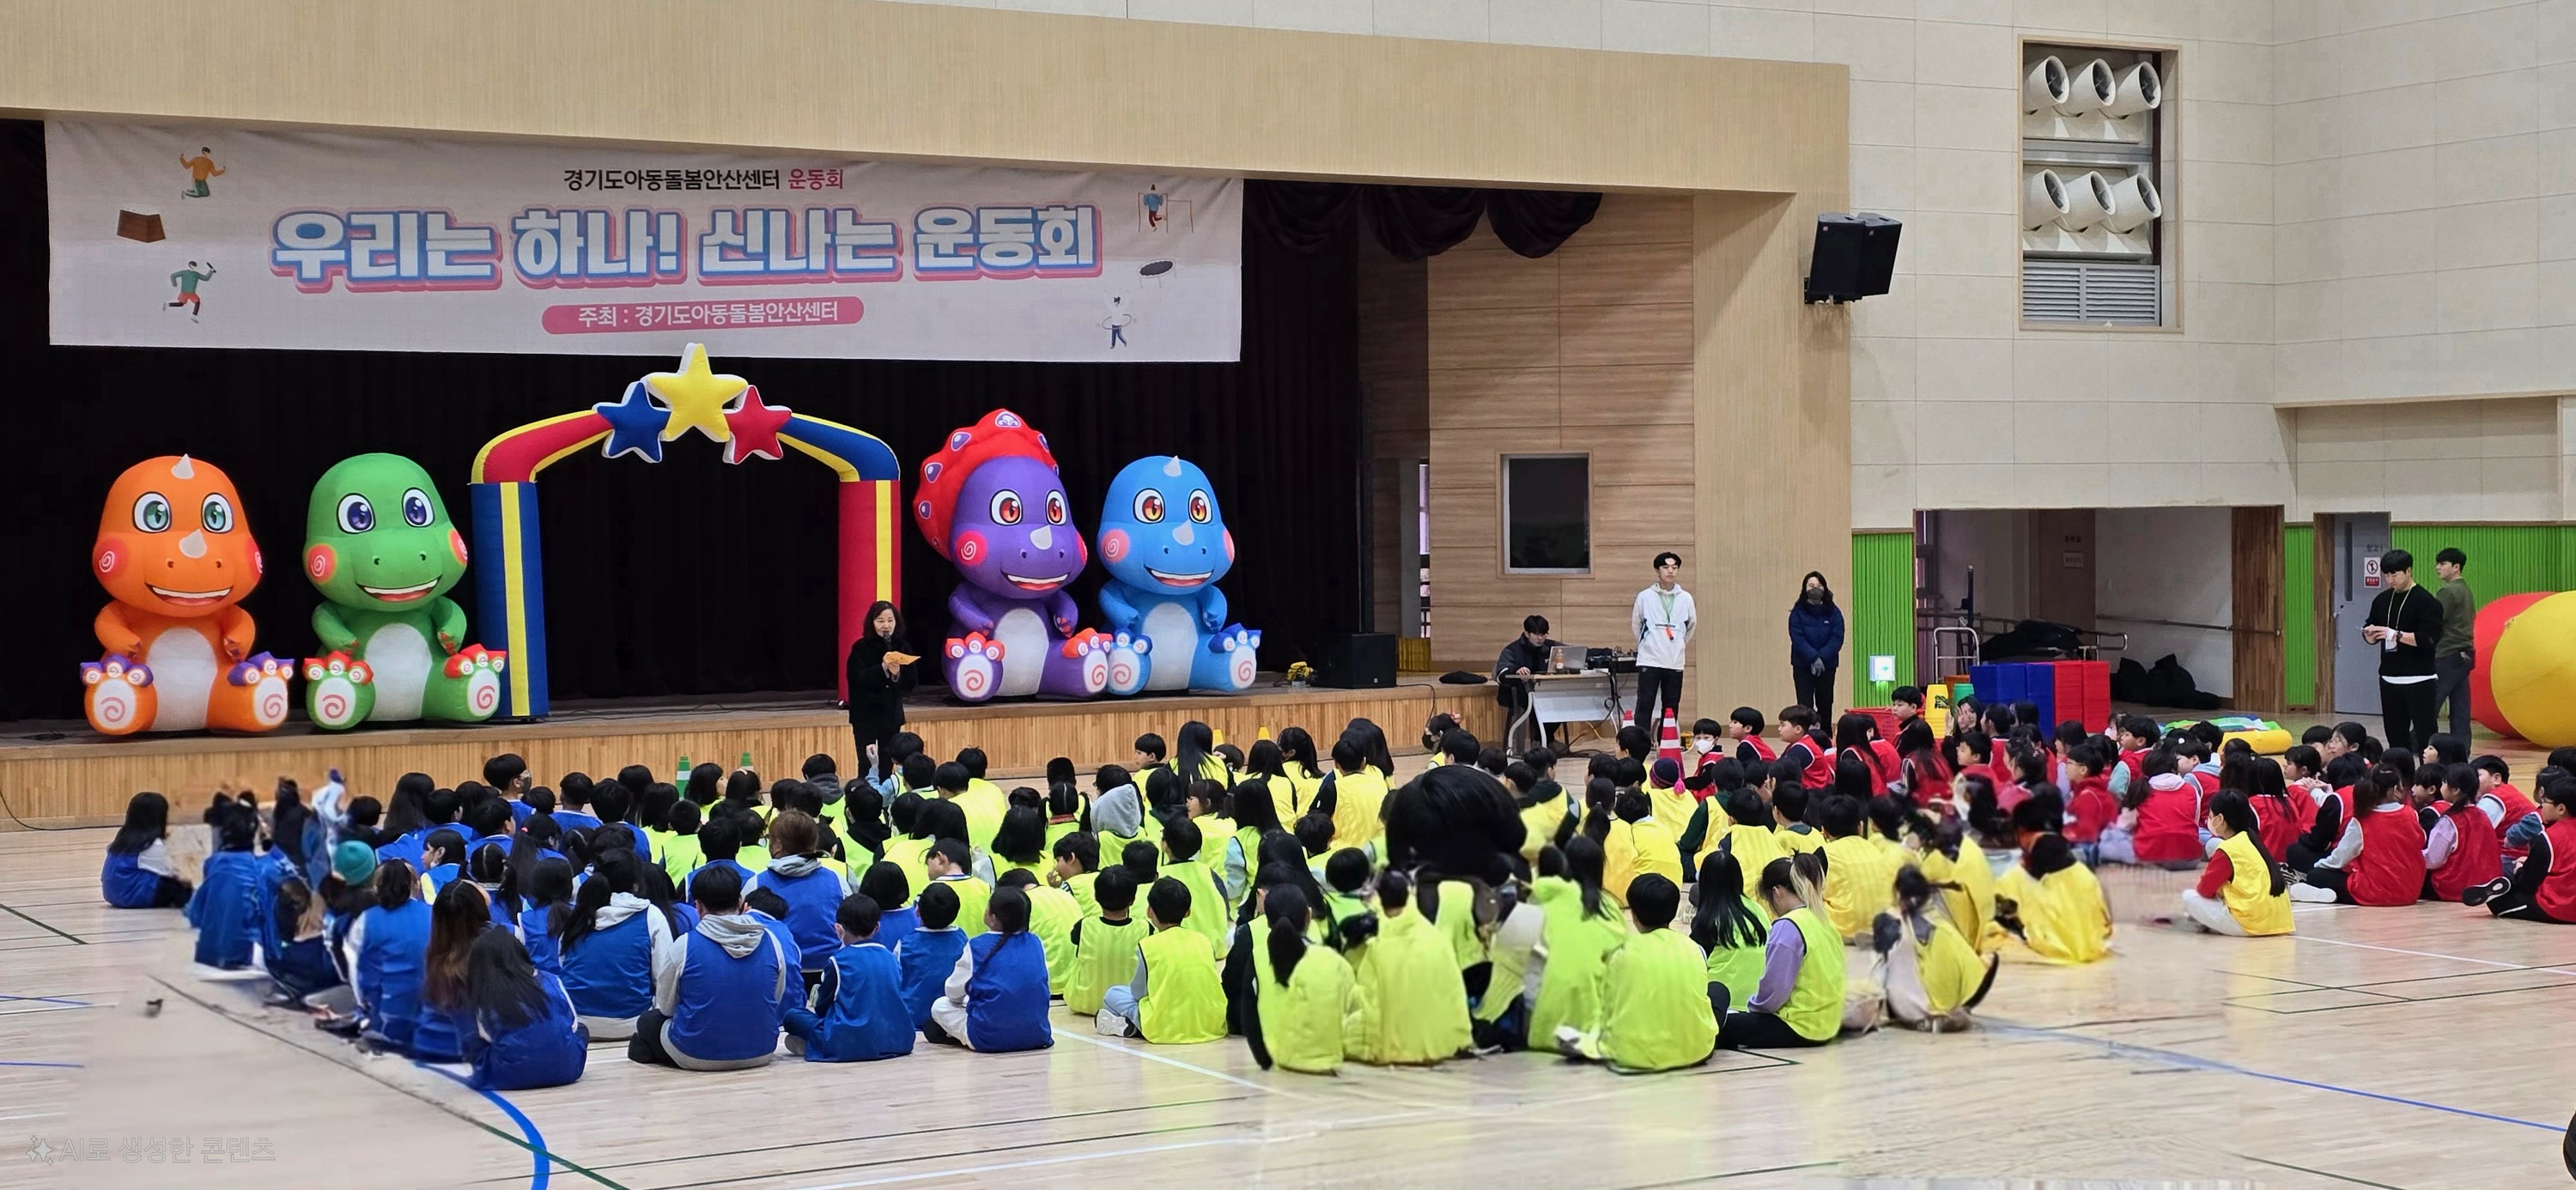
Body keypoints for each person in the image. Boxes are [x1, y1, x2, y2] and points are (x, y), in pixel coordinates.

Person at [629, 864, 794, 1071]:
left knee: (648, 1022)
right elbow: (775, 997)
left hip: (696, 1054)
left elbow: (666, 1006)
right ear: (740, 902)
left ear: (698, 906)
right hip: (762, 1051)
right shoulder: (771, 941)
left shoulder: (686, 944)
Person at [1555, 873, 1717, 1072]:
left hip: (1632, 1054)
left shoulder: (1621, 951)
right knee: (1718, 991)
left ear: (1634, 915)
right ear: (1674, 912)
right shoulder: (1694, 948)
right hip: (1694, 1051)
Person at [1343, 871, 1472, 1066]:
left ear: (1380, 897)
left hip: (1395, 1042)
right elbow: (1454, 994)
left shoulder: (1379, 947)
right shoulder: (1435, 938)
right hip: (1444, 1040)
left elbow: (1367, 1002)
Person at [1717, 853, 1845, 1049]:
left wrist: (1753, 1009)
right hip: (1829, 1024)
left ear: (1776, 892)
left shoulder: (1788, 925)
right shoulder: (1824, 921)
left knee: (1716, 1025)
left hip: (1798, 1026)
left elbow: (1775, 992)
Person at [784, 893, 915, 1062]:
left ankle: (815, 1044)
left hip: (848, 1042)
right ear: (877, 927)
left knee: (792, 1015)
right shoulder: (890, 957)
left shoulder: (837, 961)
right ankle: (813, 1043)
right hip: (898, 1039)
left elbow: (821, 1008)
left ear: (838, 929)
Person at [556, 850, 671, 1041]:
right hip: (633, 1023)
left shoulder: (579, 915)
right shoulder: (651, 915)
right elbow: (664, 977)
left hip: (578, 1021)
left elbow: (563, 962)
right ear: (636, 884)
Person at [1097, 876, 1225, 1043]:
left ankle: (1133, 1025)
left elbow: (1138, 993)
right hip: (1211, 1024)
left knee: (1113, 993)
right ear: (1188, 912)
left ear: (1149, 911)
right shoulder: (1203, 940)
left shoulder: (1148, 945)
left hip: (1164, 1027)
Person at [926, 885, 1054, 1053]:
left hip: (988, 1038)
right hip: (1038, 1035)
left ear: (993, 918)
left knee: (940, 1005)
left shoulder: (976, 946)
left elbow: (952, 992)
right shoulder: (1036, 943)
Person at [458, 929, 588, 1090]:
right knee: (582, 1030)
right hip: (569, 1071)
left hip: (510, 1077)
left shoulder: (486, 992)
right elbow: (573, 1024)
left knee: (471, 1040)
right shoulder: (552, 980)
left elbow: (485, 1036)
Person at [1872, 866, 1996, 1033]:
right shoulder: (1940, 922)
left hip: (1912, 1006)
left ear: (1898, 894)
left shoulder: (1890, 921)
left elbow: (1881, 972)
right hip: (1956, 996)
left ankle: (1932, 1013)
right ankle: (1949, 1009)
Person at [1249, 885, 1356, 1074]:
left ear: (1267, 921)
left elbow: (1247, 1015)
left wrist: (1264, 1060)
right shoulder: (1331, 958)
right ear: (1309, 916)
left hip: (1278, 1058)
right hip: (1327, 1059)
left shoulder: (1257, 956)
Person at [2288, 767, 2427, 907]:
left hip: (2376, 892)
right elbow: (2421, 842)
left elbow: (2340, 858)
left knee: (2316, 875)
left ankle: (2328, 892)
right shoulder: (2412, 814)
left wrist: (2319, 866)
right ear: (2396, 789)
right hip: (2411, 892)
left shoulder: (2361, 821)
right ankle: (2329, 893)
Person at [2363, 549, 2445, 755]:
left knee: (2426, 735)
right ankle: (2399, 780)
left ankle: (2429, 779)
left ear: (2408, 571)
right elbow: (2370, 627)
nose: (2391, 580)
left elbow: (2429, 639)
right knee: (2395, 736)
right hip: (2390, 677)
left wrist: (2395, 635)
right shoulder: (2382, 600)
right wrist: (2370, 635)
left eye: (2395, 575)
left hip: (2420, 678)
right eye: (2387, 575)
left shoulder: (2426, 602)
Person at [2180, 792, 2293, 937]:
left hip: (2249, 924)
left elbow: (2204, 890)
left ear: (2220, 819)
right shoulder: (2254, 841)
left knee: (2188, 896)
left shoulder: (2228, 848)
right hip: (2279, 922)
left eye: (2210, 816)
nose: (2208, 820)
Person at [349, 859, 434, 1053]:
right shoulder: (436, 914)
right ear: (416, 884)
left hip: (388, 1016)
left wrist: (363, 1004)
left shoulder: (367, 920)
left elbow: (356, 973)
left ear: (376, 888)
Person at [2467, 780, 2576, 922]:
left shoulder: (2548, 837)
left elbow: (2527, 885)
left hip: (2560, 907)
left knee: (2498, 901)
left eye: (2545, 802)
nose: (2541, 807)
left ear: (2561, 809)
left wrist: (2519, 870)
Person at [846, 601, 918, 783]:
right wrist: (882, 669)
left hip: (890, 715)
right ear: (872, 623)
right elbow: (856, 679)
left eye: (890, 620)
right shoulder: (860, 648)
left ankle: (885, 800)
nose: (886, 625)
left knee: (887, 762)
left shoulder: (902, 647)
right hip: (865, 715)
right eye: (880, 621)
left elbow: (911, 683)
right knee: (866, 762)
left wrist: (897, 674)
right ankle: (863, 800)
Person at [187, 805, 264, 969]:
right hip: (243, 955)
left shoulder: (212, 863)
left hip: (208, 955)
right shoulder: (259, 868)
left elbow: (195, 914)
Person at [1629, 551, 1697, 734]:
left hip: (1674, 661)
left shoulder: (1686, 598)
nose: (1670, 571)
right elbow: (1636, 624)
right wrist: (1649, 643)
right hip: (1649, 660)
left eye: (1674, 568)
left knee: (1671, 706)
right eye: (1666, 567)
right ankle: (1640, 744)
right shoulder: (1645, 596)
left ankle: (1664, 743)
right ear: (1657, 570)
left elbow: (1690, 626)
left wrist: (1677, 644)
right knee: (1645, 703)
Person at [2425, 766, 2504, 903]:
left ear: (2455, 790)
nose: (2442, 786)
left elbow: (2434, 860)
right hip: (2485, 880)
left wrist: (2413, 855)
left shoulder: (2449, 821)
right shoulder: (2482, 815)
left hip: (2454, 884)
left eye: (2444, 783)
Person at [103, 791, 191, 908]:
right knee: (178, 885)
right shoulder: (151, 846)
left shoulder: (123, 840)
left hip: (114, 894)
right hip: (133, 895)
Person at [896, 882, 969, 1027]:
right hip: (948, 1021)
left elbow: (895, 982)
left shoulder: (905, 945)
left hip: (913, 1021)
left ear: (917, 911)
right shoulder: (963, 939)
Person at [1494, 614, 1563, 752]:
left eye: (1544, 634)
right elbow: (1501, 673)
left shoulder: (1552, 647)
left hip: (1545, 690)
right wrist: (1516, 669)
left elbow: (1575, 653)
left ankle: (1544, 739)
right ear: (1526, 633)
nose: (1541, 638)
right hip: (1518, 693)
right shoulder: (1512, 650)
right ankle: (1541, 741)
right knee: (1538, 705)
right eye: (1536, 634)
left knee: (1562, 702)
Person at [2430, 548, 2478, 742]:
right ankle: (2462, 747)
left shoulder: (2448, 591)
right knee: (2460, 707)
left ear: (2456, 567)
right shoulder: (2465, 589)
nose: (2437, 568)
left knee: (2430, 702)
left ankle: (2419, 742)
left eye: (2442, 564)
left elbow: (2435, 622)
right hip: (2464, 655)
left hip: (2447, 654)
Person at [1789, 571, 1845, 722]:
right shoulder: (1797, 612)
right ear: (1805, 588)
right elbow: (1797, 638)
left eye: (1819, 586)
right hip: (1803, 665)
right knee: (1805, 705)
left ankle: (1825, 736)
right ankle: (1806, 736)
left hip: (1828, 665)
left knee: (1825, 703)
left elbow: (1837, 638)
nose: (1815, 589)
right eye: (1811, 585)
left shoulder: (1834, 612)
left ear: (1825, 588)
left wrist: (1822, 658)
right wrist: (1813, 658)